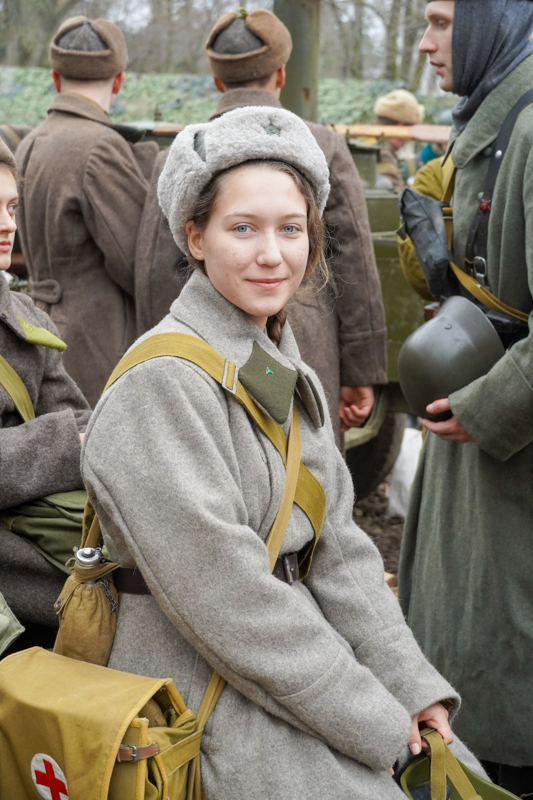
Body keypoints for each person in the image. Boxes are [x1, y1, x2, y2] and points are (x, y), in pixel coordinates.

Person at [82, 105, 485, 799]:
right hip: (200, 704)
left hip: (295, 675)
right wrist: (378, 721)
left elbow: (339, 550)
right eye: (242, 228)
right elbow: (230, 603)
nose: (272, 254)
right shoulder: (162, 384)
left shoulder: (275, 364)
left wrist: (411, 690)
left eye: (291, 229)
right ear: (195, 237)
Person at [135, 8, 387, 446]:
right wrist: (362, 369)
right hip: (308, 345)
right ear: (282, 73)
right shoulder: (323, 145)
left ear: (217, 80)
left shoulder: (183, 154)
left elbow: (155, 274)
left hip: (205, 348)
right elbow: (354, 262)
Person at [398, 1, 533, 794]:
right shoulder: (491, 115)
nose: (425, 43)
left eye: (443, 21)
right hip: (479, 461)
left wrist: (488, 405)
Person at [15, 16, 158, 407]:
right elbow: (138, 263)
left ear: (55, 78)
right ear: (118, 80)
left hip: (38, 328)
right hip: (95, 344)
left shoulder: (29, 142)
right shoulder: (100, 147)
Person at [0, 139, 91, 636]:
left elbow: (79, 419)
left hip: (42, 556)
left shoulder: (24, 318)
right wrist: (65, 444)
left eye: (12, 207)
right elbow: (72, 436)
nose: (8, 225)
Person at [373, 89, 444, 193]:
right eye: (411, 130)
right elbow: (395, 197)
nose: (409, 139)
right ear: (401, 127)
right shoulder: (382, 153)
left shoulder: (367, 142)